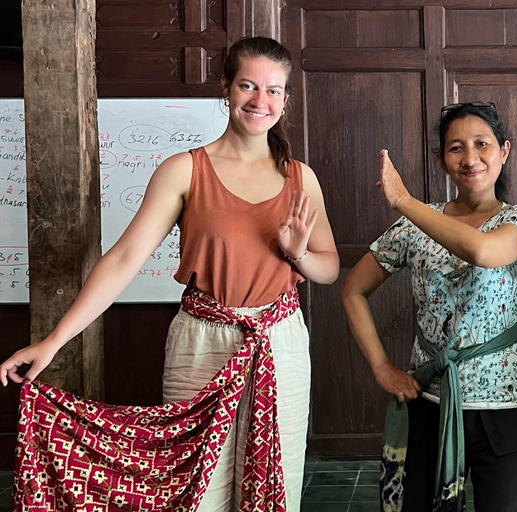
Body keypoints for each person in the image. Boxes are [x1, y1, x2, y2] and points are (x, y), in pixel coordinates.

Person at [0, 37, 339, 512]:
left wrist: (297, 254)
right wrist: (52, 342)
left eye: (274, 91)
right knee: (192, 492)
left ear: (285, 99)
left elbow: (328, 269)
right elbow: (122, 261)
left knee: (278, 482)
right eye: (247, 85)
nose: (260, 101)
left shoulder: (300, 178)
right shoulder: (184, 169)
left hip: (279, 342)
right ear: (226, 88)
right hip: (201, 342)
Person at [341, 102, 517, 512]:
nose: (470, 159)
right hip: (429, 399)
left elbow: (484, 252)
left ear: (504, 151)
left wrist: (403, 201)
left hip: (504, 405)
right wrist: (382, 367)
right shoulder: (413, 224)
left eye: (482, 144)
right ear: (441, 159)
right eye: (456, 148)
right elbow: (352, 291)